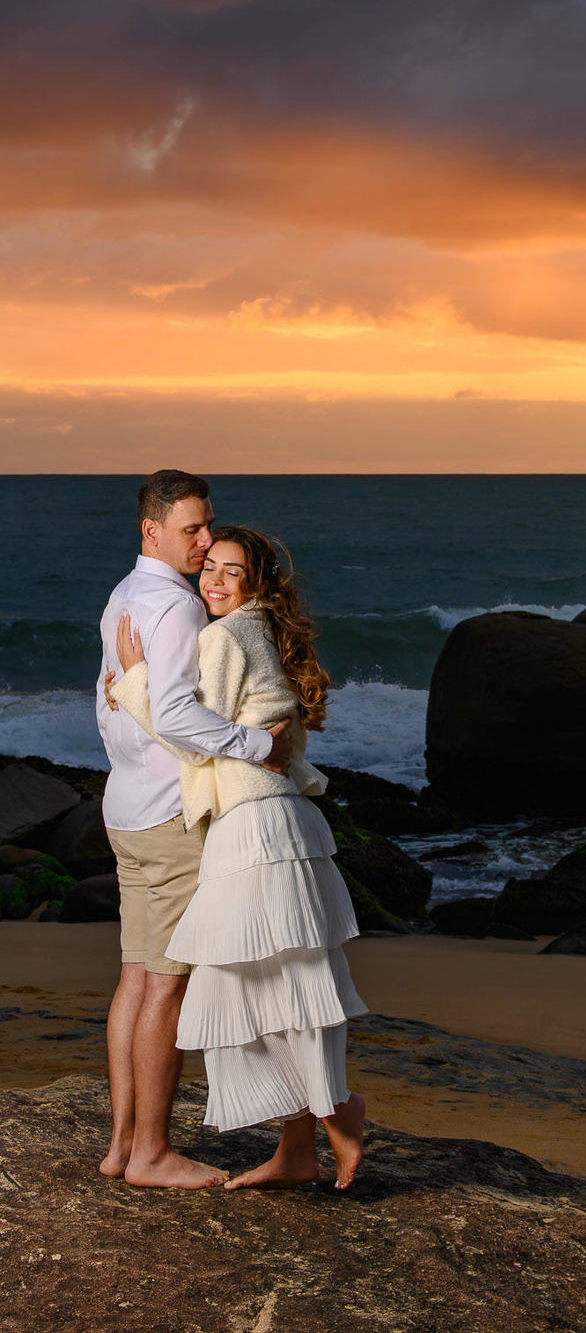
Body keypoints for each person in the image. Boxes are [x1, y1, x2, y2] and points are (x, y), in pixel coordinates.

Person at [108, 524, 368, 1190]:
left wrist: (135, 684)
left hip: (255, 829)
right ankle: (299, 1148)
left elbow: (193, 737)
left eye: (233, 572)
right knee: (273, 980)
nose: (215, 581)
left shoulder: (225, 636)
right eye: (210, 568)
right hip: (275, 822)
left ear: (256, 584)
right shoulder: (262, 630)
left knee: (265, 983)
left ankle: (337, 1109)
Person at [96, 469, 295, 1189]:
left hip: (125, 808)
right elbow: (177, 714)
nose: (206, 540)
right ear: (152, 529)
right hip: (169, 816)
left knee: (134, 977)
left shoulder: (124, 595)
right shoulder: (179, 608)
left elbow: (108, 703)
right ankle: (150, 1152)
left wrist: (131, 752)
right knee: (167, 987)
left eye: (208, 524)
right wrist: (257, 744)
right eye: (192, 529)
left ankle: (123, 1146)